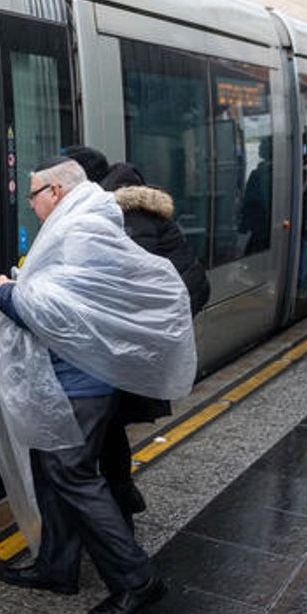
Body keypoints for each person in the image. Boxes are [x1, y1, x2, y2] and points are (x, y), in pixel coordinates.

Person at [0, 157, 196, 614]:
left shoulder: (79, 232)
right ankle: (57, 567)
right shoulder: (82, 223)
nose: (30, 204)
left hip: (80, 383)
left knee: (71, 473)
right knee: (51, 465)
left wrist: (7, 295)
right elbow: (72, 297)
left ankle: (138, 580)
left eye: (33, 194)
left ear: (55, 192)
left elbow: (63, 314)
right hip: (67, 377)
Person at [93, 155, 208, 529]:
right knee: (111, 429)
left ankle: (119, 515)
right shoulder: (155, 218)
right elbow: (192, 285)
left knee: (104, 431)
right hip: (143, 352)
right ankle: (122, 498)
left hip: (123, 352)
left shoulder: (117, 222)